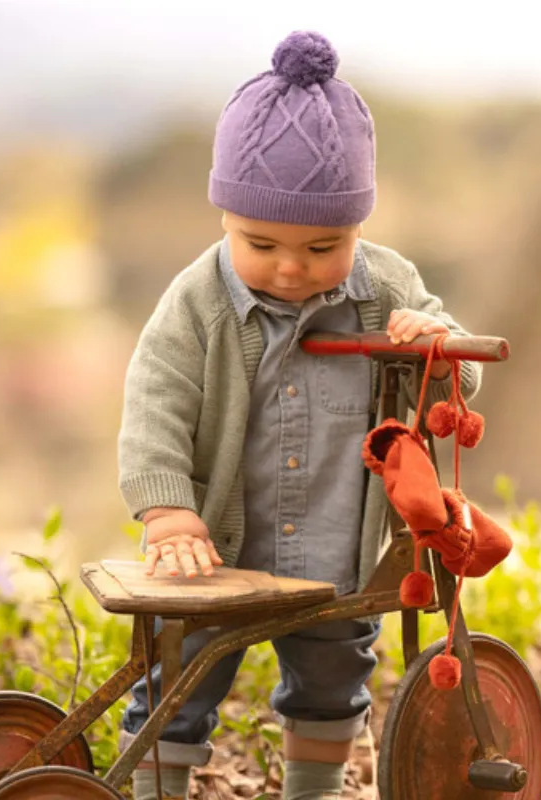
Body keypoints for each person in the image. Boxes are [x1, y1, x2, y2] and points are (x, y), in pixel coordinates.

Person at [116, 29, 482, 800]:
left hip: (333, 550)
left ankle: (312, 788)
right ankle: (154, 787)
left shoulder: (385, 287)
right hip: (217, 550)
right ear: (224, 217)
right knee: (178, 680)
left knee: (332, 678)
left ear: (358, 228)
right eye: (262, 243)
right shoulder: (199, 302)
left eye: (325, 245)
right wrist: (168, 514)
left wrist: (436, 347)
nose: (291, 266)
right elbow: (156, 398)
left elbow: (459, 386)